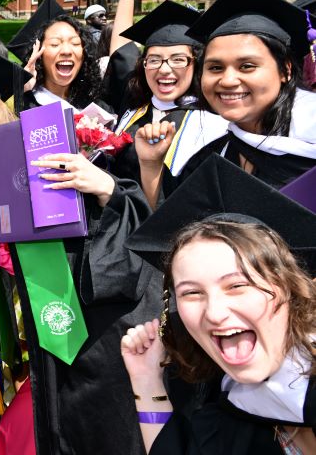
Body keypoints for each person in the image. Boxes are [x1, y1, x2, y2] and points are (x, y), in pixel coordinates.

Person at [0, 32, 158, 454]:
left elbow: (129, 238)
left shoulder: (35, 161)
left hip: (85, 346)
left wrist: (107, 189)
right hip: (31, 356)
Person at [122, 157, 316, 454]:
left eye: (237, 286)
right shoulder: (230, 415)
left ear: (290, 286)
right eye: (191, 293)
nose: (213, 312)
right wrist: (147, 382)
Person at [136, 0, 316, 200]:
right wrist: (151, 164)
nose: (228, 80)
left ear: (285, 71)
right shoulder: (212, 156)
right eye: (215, 67)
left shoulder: (309, 150)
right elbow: (172, 222)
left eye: (247, 66)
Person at [110, 0, 228, 192]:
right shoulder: (133, 109)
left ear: (196, 65)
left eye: (178, 60)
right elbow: (121, 54)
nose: (165, 69)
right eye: (154, 60)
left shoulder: (212, 125)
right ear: (143, 65)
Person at [20, 11, 107, 113]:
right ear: (39, 54)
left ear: (85, 54)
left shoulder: (96, 110)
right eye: (55, 44)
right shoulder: (24, 101)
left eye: (75, 43)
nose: (66, 51)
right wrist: (24, 91)